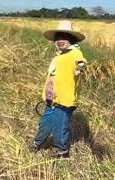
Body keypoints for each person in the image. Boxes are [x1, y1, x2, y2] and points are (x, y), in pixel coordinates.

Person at [33, 21, 87, 158]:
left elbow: (82, 63)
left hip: (65, 101)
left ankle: (63, 154)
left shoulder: (75, 53)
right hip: (52, 100)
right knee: (44, 124)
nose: (60, 40)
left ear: (71, 39)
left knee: (60, 128)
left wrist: (80, 68)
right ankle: (36, 144)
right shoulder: (58, 56)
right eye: (58, 37)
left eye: (64, 37)